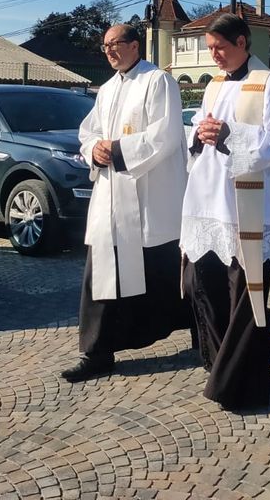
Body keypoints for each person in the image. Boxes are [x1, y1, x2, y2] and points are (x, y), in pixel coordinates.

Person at [61, 24, 191, 383]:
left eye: (115, 44)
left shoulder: (158, 82)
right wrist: (95, 149)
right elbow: (88, 132)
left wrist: (117, 150)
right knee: (102, 273)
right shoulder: (106, 89)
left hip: (150, 199)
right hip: (111, 197)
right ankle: (97, 353)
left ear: (135, 45)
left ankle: (201, 331)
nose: (108, 51)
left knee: (165, 275)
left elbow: (165, 135)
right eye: (104, 45)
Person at [179, 13, 270, 410]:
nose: (213, 55)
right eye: (210, 48)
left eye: (219, 47)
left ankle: (242, 384)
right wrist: (198, 134)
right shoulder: (213, 85)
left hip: (247, 207)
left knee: (246, 295)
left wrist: (230, 134)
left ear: (242, 42)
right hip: (209, 202)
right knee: (204, 285)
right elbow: (198, 127)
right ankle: (219, 368)